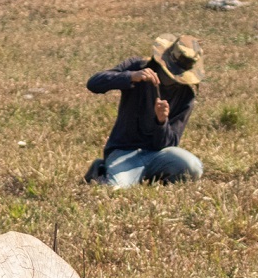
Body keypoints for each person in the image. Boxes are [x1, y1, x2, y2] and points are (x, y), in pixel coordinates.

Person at [84, 34, 205, 188]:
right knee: (114, 189)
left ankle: (147, 177)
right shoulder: (138, 66)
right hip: (124, 151)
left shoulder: (186, 95)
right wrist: (130, 76)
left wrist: (162, 122)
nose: (170, 80)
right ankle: (101, 171)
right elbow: (94, 83)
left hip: (158, 154)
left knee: (193, 168)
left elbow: (172, 142)